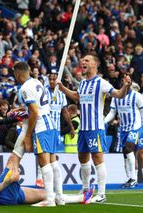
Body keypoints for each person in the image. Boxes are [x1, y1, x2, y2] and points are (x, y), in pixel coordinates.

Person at [58, 54, 131, 203]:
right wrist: (62, 88)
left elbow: (118, 94)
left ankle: (102, 193)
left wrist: (126, 86)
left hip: (95, 128)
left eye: (86, 60)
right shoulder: (83, 83)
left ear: (95, 65)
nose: (82, 62)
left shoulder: (101, 83)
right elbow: (77, 97)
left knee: (97, 158)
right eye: (82, 60)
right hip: (83, 129)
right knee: (83, 158)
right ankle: (86, 189)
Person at [12, 62, 87, 207]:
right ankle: (59, 197)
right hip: (52, 125)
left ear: (17, 73)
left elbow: (34, 112)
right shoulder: (36, 82)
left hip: (41, 127)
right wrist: (19, 111)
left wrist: (27, 136)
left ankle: (50, 199)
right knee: (53, 163)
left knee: (44, 163)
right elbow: (35, 107)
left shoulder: (25, 88)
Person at [0, 152, 94, 206]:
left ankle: (82, 198)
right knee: (13, 158)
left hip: (4, 194)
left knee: (45, 194)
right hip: (1, 197)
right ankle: (25, 123)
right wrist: (9, 180)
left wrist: (5, 179)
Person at [104, 79, 143, 188]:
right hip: (123, 129)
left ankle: (138, 179)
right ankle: (130, 178)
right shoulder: (116, 97)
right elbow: (112, 112)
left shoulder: (137, 96)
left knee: (131, 150)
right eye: (123, 83)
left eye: (128, 83)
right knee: (126, 154)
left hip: (136, 127)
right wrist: (103, 122)